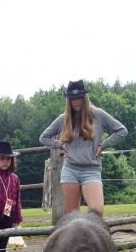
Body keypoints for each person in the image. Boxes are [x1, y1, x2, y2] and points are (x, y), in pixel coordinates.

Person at [39, 80, 128, 216]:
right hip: (70, 170)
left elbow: (121, 130)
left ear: (85, 98)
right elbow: (43, 137)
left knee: (97, 211)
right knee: (72, 215)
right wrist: (59, 145)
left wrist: (103, 145)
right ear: (69, 100)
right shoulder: (63, 119)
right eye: (73, 98)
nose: (76, 101)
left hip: (91, 170)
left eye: (79, 97)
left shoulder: (98, 114)